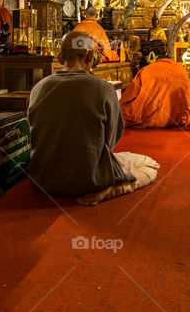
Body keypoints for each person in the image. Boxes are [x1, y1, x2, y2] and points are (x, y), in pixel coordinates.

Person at [28, 31, 159, 206]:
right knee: (150, 166)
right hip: (91, 181)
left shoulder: (38, 89)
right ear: (91, 57)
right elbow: (111, 140)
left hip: (43, 180)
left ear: (59, 57)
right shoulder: (104, 89)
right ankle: (116, 190)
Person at [120, 56, 190, 128]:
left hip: (149, 118)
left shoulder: (146, 70)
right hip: (177, 118)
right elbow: (186, 98)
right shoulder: (181, 70)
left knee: (123, 110)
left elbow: (130, 95)